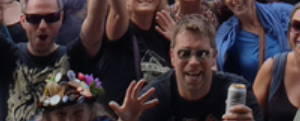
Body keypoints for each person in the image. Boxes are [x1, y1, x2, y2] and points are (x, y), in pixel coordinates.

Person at [108, 12, 259, 121]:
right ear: (172, 58)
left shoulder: (237, 93)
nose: (193, 62)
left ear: (214, 57)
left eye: (202, 54)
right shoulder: (153, 97)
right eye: (184, 54)